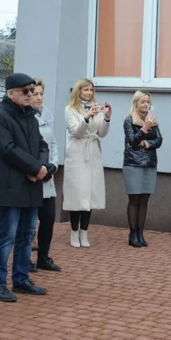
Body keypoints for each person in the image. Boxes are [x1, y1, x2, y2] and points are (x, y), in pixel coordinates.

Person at [0, 73, 51, 303]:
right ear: (11, 92)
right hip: (11, 184)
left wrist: (42, 166)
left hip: (32, 185)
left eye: (32, 90)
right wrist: (35, 168)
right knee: (7, 236)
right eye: (25, 91)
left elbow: (42, 144)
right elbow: (7, 148)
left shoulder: (31, 117)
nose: (30, 94)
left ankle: (21, 279)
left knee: (26, 235)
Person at [63, 78, 110, 248]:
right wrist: (87, 117)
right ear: (78, 91)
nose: (89, 93)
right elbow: (76, 132)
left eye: (91, 90)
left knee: (90, 193)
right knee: (77, 192)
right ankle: (74, 231)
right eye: (85, 90)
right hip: (77, 153)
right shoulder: (70, 109)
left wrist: (106, 118)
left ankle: (84, 231)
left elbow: (102, 133)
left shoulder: (96, 108)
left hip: (93, 152)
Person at [122, 91, 161, 248]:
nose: (146, 105)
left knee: (144, 199)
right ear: (136, 102)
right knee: (134, 199)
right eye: (143, 102)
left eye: (148, 102)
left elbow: (159, 140)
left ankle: (140, 233)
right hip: (133, 163)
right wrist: (144, 129)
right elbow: (132, 141)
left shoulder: (153, 119)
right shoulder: (129, 120)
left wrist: (145, 144)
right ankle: (132, 234)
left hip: (150, 163)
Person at [30, 78, 60, 272]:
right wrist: (38, 169)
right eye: (35, 94)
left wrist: (53, 166)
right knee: (29, 222)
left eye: (41, 94)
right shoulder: (25, 116)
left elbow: (53, 144)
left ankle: (43, 257)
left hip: (47, 176)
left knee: (48, 218)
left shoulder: (46, 114)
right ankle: (25, 259)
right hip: (32, 176)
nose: (39, 98)